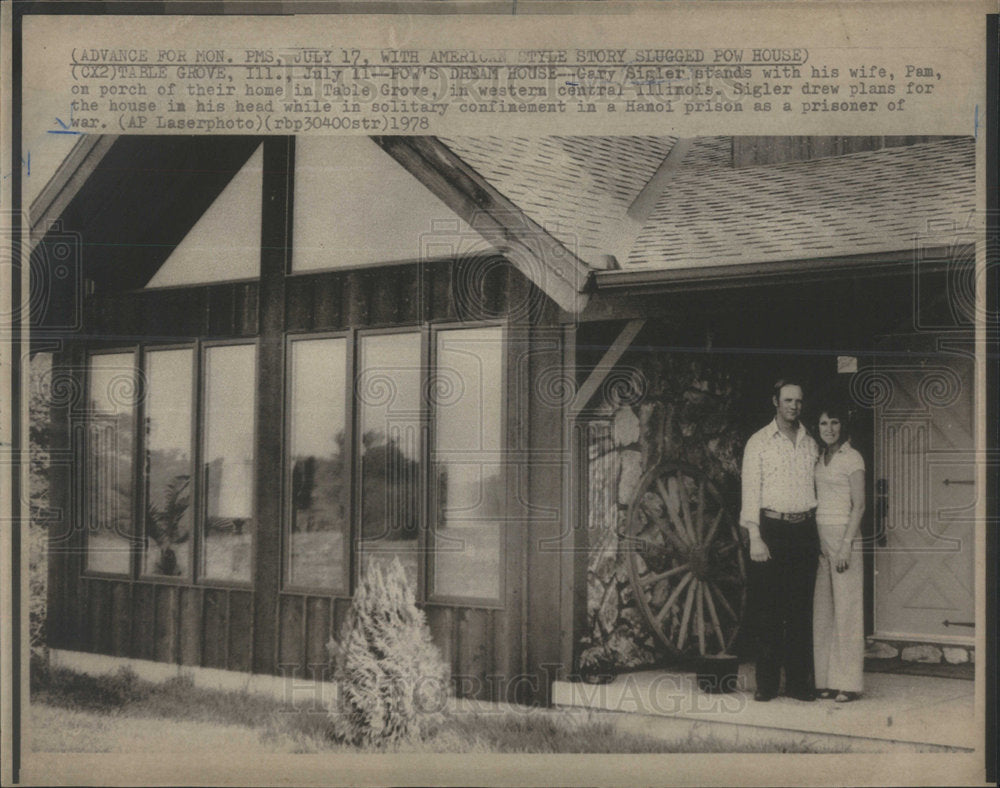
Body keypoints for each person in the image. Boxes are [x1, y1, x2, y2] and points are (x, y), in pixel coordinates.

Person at [740, 378, 820, 702]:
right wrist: (755, 537)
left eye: (798, 401)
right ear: (775, 402)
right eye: (788, 400)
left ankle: (800, 684)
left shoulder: (810, 441)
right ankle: (768, 685)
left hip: (804, 531)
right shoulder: (758, 442)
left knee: (800, 610)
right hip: (771, 530)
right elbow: (750, 493)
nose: (794, 406)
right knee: (769, 611)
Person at [812, 403, 866, 703]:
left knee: (847, 611)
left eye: (834, 422)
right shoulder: (819, 457)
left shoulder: (852, 457)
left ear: (842, 426)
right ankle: (826, 680)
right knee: (824, 612)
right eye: (823, 423)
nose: (829, 428)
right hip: (822, 540)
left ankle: (848, 683)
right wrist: (820, 539)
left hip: (845, 539)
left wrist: (846, 544)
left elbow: (859, 505)